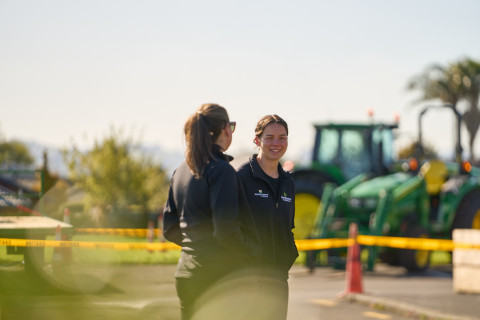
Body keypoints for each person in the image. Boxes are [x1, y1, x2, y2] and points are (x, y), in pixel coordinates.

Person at [162, 103, 258, 320]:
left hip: (186, 275)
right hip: (217, 277)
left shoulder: (180, 170)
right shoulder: (222, 171)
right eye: (231, 127)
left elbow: (169, 229)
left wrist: (195, 244)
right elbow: (226, 231)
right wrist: (251, 256)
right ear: (225, 129)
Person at [236, 114, 298, 320]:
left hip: (278, 279)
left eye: (282, 137)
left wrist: (289, 255)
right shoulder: (241, 177)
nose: (276, 143)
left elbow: (288, 227)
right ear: (257, 141)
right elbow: (229, 226)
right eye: (269, 137)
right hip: (247, 280)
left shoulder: (288, 181)